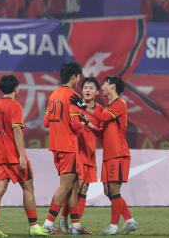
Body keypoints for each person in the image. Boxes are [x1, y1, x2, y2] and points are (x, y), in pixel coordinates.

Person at [72, 76, 138, 235]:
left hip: (118, 153)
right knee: (108, 191)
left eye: (105, 84)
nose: (102, 87)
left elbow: (102, 117)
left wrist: (82, 106)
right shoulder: (109, 106)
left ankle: (114, 226)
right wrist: (87, 123)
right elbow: (101, 131)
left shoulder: (119, 104)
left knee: (114, 190)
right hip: (108, 155)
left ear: (113, 86)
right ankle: (129, 220)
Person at [0, 75, 51, 237]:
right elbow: (17, 131)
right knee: (28, 188)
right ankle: (34, 226)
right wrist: (22, 155)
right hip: (14, 156)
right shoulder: (15, 106)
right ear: (16, 88)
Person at [42, 62, 85, 234]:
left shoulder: (54, 95)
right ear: (74, 76)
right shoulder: (73, 96)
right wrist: (84, 121)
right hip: (68, 146)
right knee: (66, 187)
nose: (79, 79)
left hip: (56, 146)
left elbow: (46, 122)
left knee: (73, 186)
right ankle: (47, 223)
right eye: (78, 76)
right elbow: (75, 124)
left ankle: (75, 226)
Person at [60, 77, 102, 234]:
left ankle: (76, 225)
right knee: (74, 189)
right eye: (85, 87)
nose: (87, 90)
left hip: (90, 153)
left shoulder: (99, 110)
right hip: (77, 152)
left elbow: (101, 130)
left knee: (84, 189)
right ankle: (64, 219)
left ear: (97, 92)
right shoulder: (75, 105)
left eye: (91, 88)